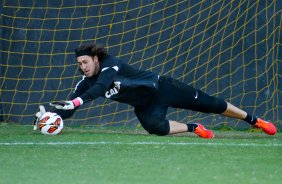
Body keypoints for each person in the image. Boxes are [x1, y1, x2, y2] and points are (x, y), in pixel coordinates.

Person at [41, 43, 276, 138]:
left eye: (85, 62)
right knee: (155, 128)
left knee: (212, 105)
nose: (83, 67)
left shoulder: (110, 64)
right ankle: (194, 128)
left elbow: (102, 87)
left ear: (95, 58)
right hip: (145, 104)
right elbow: (70, 105)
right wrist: (51, 117)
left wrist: (76, 103)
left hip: (163, 88)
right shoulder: (84, 82)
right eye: (79, 64)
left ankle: (254, 120)